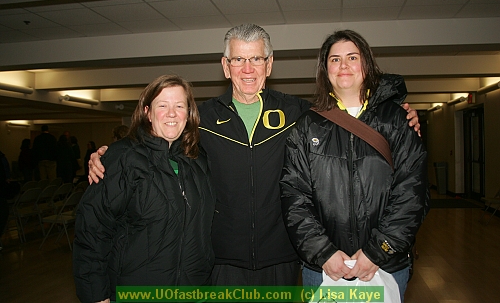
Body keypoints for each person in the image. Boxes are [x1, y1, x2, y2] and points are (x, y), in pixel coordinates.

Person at [88, 24, 421, 286]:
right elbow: (160, 139)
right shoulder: (200, 118)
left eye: (256, 59)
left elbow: (350, 126)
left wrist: (400, 114)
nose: (247, 69)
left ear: (269, 63)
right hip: (220, 261)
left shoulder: (301, 114)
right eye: (238, 59)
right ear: (225, 65)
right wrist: (110, 155)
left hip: (283, 258)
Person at [280, 29, 429, 302]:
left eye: (352, 57)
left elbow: (412, 192)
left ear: (366, 64)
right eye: (335, 59)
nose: (344, 65)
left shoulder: (397, 120)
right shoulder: (307, 126)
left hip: (386, 264)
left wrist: (377, 251)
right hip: (324, 268)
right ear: (325, 70)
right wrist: (322, 252)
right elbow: (294, 195)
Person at [73, 75, 215, 303]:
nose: (171, 113)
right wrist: (96, 296)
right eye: (163, 105)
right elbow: (92, 231)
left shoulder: (198, 160)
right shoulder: (122, 158)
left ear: (188, 114)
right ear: (147, 112)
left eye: (179, 106)